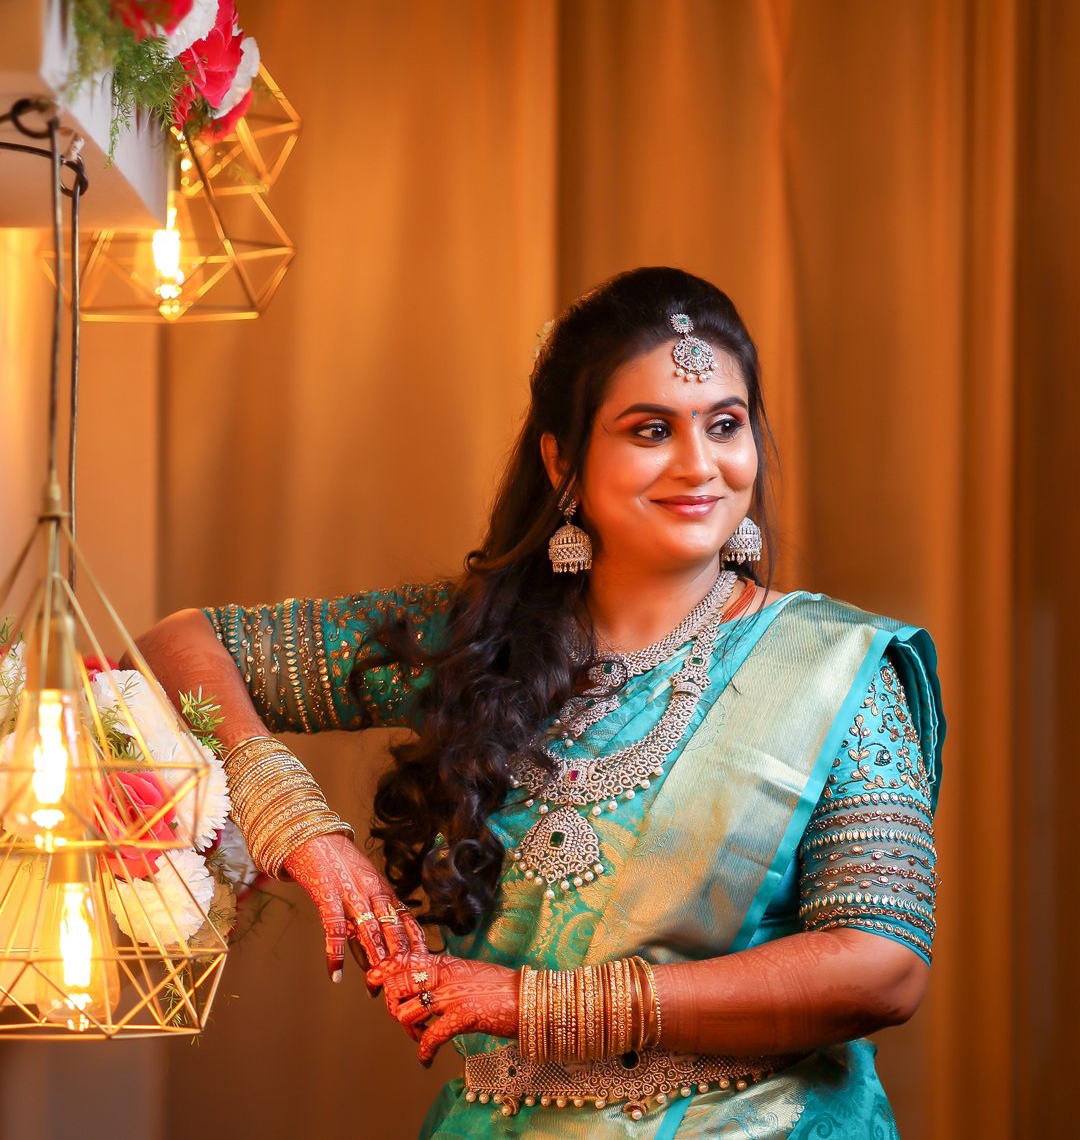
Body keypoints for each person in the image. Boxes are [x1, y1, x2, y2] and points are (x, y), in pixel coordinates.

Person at [138, 267, 943, 1138]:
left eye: (725, 425)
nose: (699, 464)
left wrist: (537, 1005)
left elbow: (881, 971)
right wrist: (302, 831)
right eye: (650, 430)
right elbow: (176, 646)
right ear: (563, 458)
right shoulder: (477, 646)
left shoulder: (834, 668)